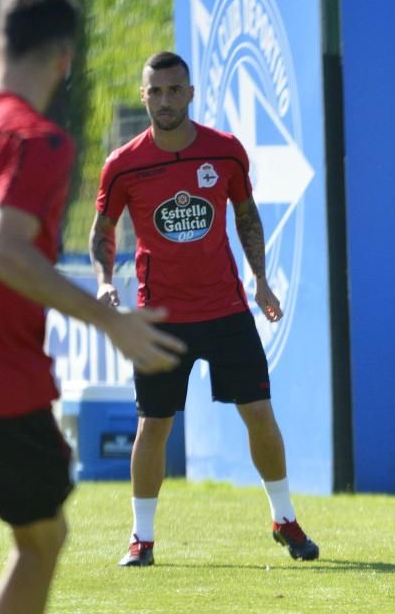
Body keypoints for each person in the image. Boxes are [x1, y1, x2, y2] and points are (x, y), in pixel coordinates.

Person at [0, 0, 186, 614]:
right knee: (41, 539)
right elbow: (0, 250)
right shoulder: (36, 140)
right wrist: (107, 319)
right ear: (66, 60)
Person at [89, 51, 319, 568]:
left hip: (225, 311)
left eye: (175, 90)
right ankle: (141, 538)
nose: (165, 100)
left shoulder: (225, 152)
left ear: (190, 95)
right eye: (156, 91)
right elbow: (103, 232)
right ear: (144, 95)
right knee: (154, 426)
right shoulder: (123, 164)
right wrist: (105, 281)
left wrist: (260, 281)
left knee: (260, 414)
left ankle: (284, 519)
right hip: (159, 318)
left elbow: (247, 216)